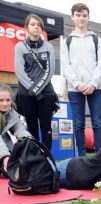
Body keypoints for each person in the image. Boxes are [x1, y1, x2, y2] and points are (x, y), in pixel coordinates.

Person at [61, 3, 101, 157]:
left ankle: (100, 156)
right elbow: (66, 66)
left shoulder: (97, 40)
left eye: (84, 15)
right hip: (75, 89)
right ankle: (81, 158)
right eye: (78, 15)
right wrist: (77, 84)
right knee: (78, 124)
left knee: (97, 123)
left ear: (88, 17)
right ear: (72, 17)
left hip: (95, 88)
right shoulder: (66, 41)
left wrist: (93, 83)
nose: (81, 18)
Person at [14, 14, 56, 150]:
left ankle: (47, 159)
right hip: (26, 94)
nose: (36, 27)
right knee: (31, 127)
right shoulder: (20, 47)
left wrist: (37, 89)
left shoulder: (49, 47)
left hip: (46, 94)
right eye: (33, 24)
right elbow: (19, 71)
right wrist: (32, 89)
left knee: (46, 126)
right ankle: (35, 159)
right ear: (27, 27)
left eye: (38, 25)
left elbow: (50, 72)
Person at [0, 83, 32, 176]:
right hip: (2, 150)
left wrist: (33, 144)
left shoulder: (12, 113)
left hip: (3, 149)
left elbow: (20, 130)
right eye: (1, 100)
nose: (5, 104)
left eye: (8, 100)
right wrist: (5, 157)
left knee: (16, 170)